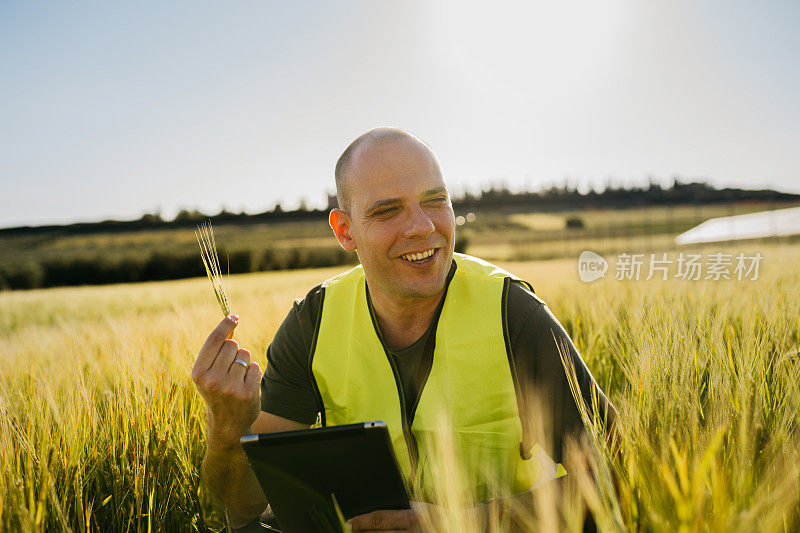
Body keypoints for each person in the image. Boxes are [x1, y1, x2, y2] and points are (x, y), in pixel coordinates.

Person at [191, 128, 616, 532]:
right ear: (345, 231)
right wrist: (229, 428)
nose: (422, 226)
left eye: (435, 200)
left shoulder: (514, 314)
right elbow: (245, 506)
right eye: (387, 210)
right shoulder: (312, 323)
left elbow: (618, 472)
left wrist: (469, 522)